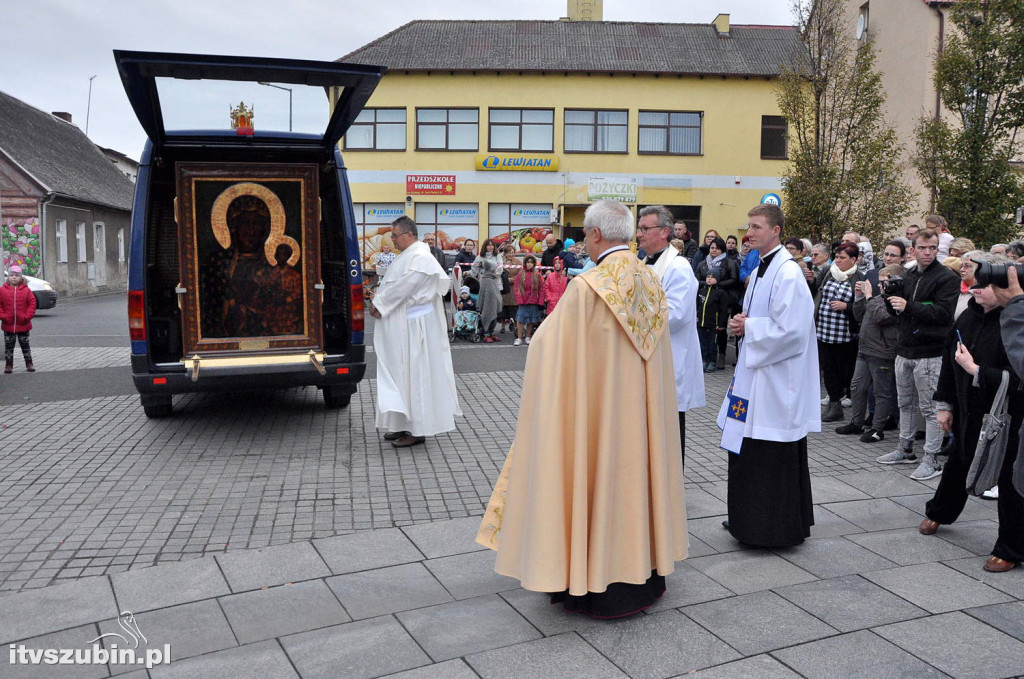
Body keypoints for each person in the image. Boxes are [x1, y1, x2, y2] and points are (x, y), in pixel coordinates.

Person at [476, 199, 688, 619]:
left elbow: (545, 349)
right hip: (639, 417)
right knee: (635, 481)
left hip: (597, 417)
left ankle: (593, 577)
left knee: (595, 480)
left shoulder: (590, 287)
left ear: (594, 234)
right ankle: (643, 573)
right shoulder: (651, 278)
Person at [719, 204, 818, 548]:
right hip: (755, 377)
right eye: (749, 226)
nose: (750, 233)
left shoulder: (787, 273)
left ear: (776, 231)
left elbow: (793, 330)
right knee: (747, 450)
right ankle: (747, 519)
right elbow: (760, 316)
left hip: (775, 383)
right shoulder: (763, 267)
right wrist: (742, 324)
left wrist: (751, 327)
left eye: (757, 227)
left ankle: (771, 527)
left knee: (768, 456)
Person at [917, 256, 1023, 573]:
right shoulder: (967, 318)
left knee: (1011, 480)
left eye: (986, 284)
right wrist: (945, 405)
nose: (976, 288)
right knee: (959, 462)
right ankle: (940, 511)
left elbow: (1018, 378)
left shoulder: (1015, 325)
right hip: (967, 410)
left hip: (1007, 417)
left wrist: (977, 371)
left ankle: (1011, 548)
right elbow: (950, 365)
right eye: (976, 282)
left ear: (1005, 290)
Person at [876, 228, 960, 480]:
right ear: (912, 250)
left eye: (932, 248)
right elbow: (898, 312)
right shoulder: (908, 273)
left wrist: (908, 305)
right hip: (905, 348)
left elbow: (943, 313)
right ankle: (905, 448)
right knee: (905, 403)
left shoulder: (946, 277)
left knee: (931, 408)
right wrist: (889, 299)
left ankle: (932, 459)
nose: (927, 252)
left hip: (931, 351)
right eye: (922, 248)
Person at [369, 217, 461, 447]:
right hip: (405, 322)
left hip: (415, 327)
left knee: (414, 374)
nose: (392, 239)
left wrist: (380, 304)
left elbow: (404, 287)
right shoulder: (410, 255)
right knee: (400, 373)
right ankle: (400, 423)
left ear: (409, 234)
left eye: (395, 235)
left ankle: (417, 429)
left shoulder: (420, 258)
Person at [638, 205, 706, 468]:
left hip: (670, 358)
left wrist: (632, 318)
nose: (639, 234)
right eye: (639, 228)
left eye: (646, 228)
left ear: (664, 232)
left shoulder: (678, 267)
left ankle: (671, 488)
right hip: (647, 356)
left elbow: (676, 315)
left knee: (668, 429)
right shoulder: (643, 262)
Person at [836, 264, 902, 442]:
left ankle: (877, 429)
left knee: (881, 392)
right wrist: (858, 297)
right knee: (857, 387)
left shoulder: (898, 301)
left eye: (884, 282)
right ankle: (856, 422)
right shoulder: (879, 297)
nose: (880, 285)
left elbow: (881, 317)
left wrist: (869, 296)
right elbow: (859, 316)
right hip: (864, 349)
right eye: (879, 282)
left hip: (882, 352)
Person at [813, 242, 864, 422]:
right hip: (823, 330)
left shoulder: (859, 277)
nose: (838, 261)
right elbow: (816, 292)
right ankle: (833, 403)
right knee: (827, 369)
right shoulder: (829, 272)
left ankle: (839, 402)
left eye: (843, 258)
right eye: (837, 257)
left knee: (842, 371)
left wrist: (846, 306)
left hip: (844, 334)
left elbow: (862, 308)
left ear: (854, 259)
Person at [1, 266, 37, 373]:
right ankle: (8, 365)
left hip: (24, 324)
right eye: (11, 275)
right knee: (9, 346)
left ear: (21, 278)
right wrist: (4, 317)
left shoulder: (26, 290)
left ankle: (29, 363)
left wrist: (27, 316)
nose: (14, 278)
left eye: (17, 276)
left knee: (25, 345)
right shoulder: (2, 290)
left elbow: (32, 303)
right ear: (8, 277)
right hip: (8, 324)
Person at [470, 239, 504, 343]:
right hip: (484, 284)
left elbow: (500, 269)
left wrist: (494, 272)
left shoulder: (497, 256)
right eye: (488, 245)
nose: (490, 247)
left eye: (492, 245)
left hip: (495, 284)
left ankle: (492, 331)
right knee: (486, 308)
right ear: (485, 246)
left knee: (495, 307)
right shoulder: (479, 257)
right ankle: (485, 332)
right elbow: (474, 269)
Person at [513, 255, 544, 346]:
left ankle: (527, 337)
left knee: (531, 320)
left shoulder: (537, 275)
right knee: (521, 320)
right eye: (528, 262)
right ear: (525, 263)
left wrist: (540, 301)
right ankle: (519, 338)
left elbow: (541, 289)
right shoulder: (521, 273)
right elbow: (516, 287)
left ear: (534, 264)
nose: (529, 264)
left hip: (533, 300)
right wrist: (519, 299)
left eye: (531, 262)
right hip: (523, 300)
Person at [499, 245, 520, 332]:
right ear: (505, 253)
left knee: (514, 308)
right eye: (509, 253)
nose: (511, 254)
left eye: (512, 252)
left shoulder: (518, 262)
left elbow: (520, 275)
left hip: (514, 288)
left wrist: (510, 280)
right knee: (503, 308)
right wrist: (504, 280)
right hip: (504, 288)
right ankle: (503, 326)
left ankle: (515, 325)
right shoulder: (501, 262)